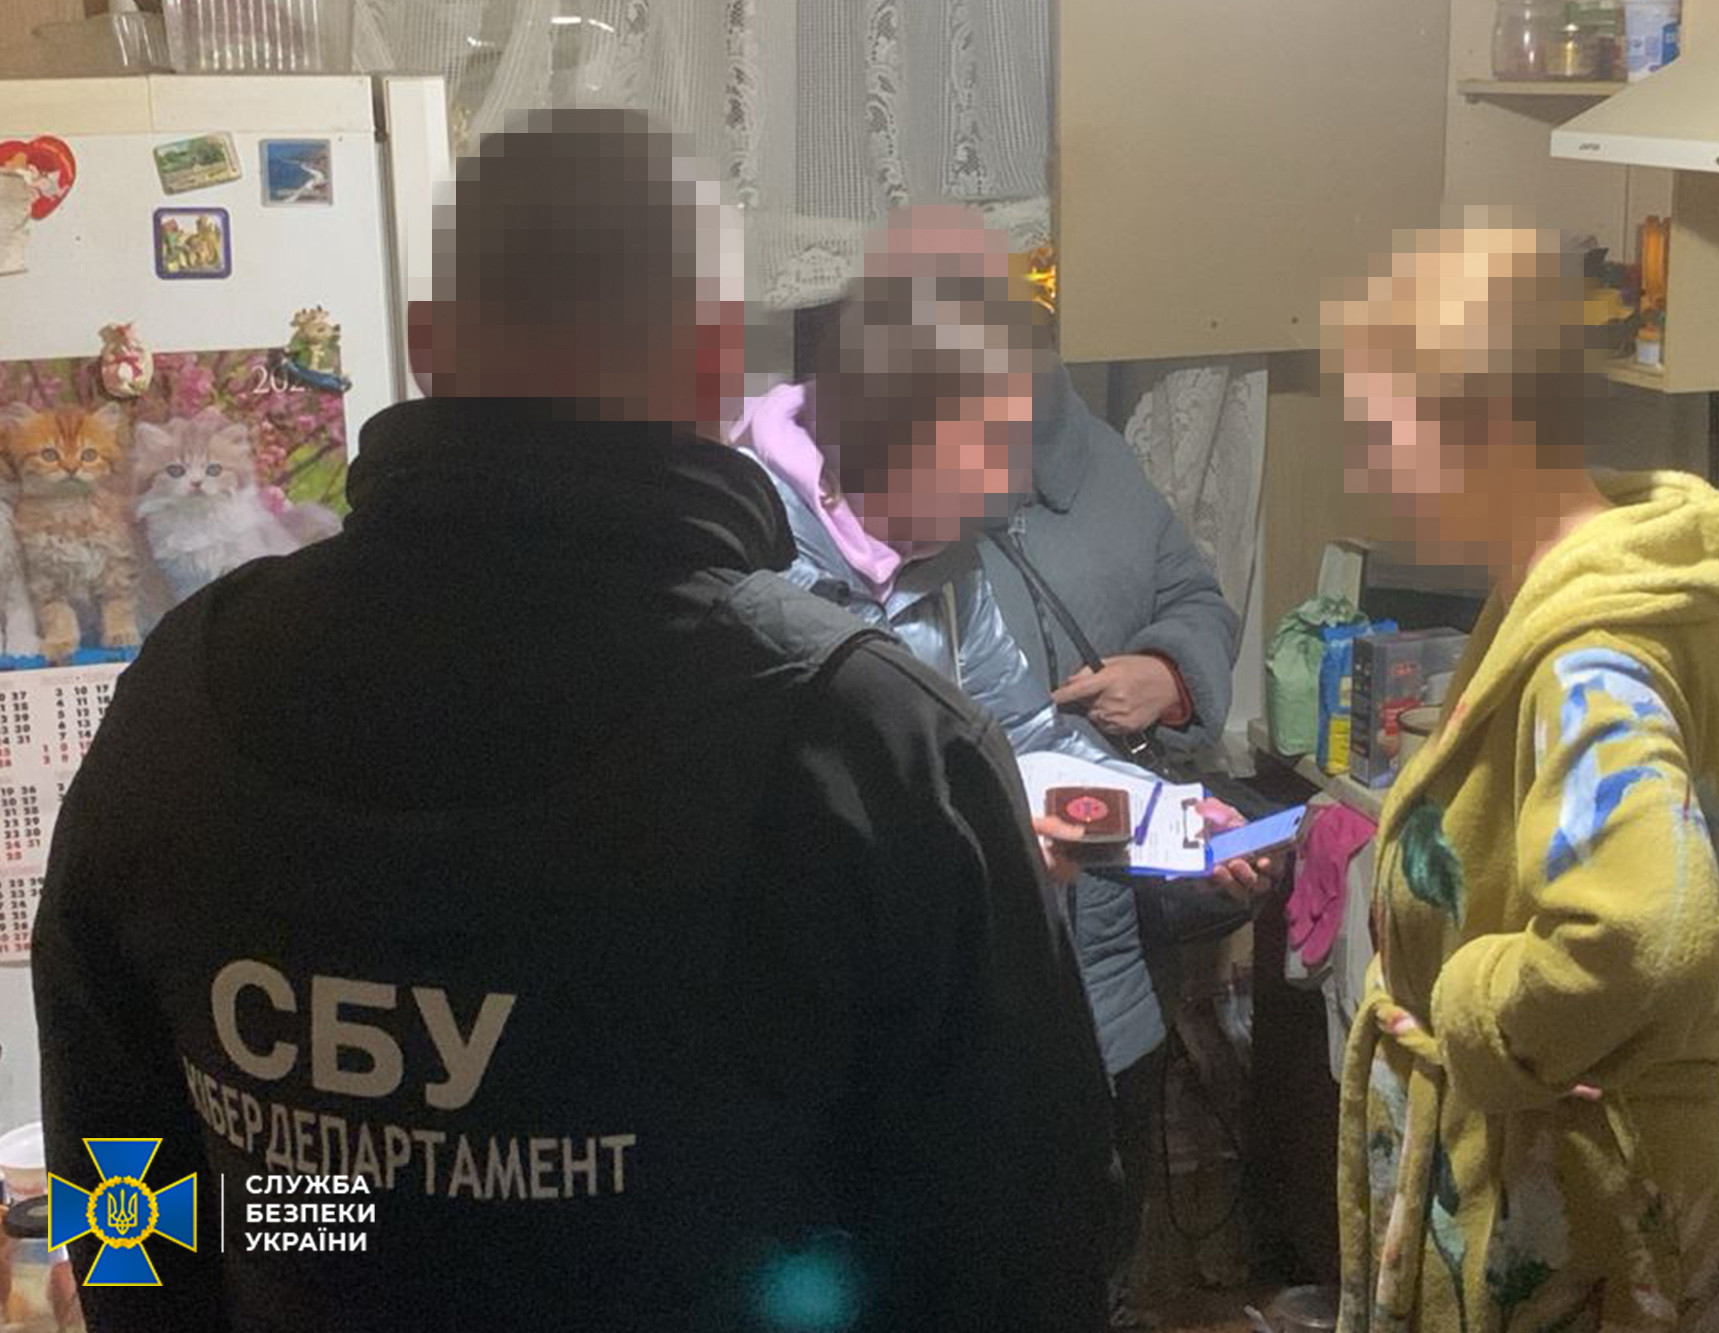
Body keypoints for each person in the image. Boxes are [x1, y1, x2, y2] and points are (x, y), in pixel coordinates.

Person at [33, 110, 1112, 1332]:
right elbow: (1021, 1243)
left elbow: (125, 1181)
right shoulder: (869, 741)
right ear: (718, 365)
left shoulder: (184, 689)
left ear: (424, 343)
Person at [735, 204, 1269, 1327]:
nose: (994, 494)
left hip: (977, 1037)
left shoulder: (947, 559)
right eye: (974, 459)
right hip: (828, 1071)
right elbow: (763, 843)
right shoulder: (752, 560)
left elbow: (1026, 737)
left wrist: (1170, 823)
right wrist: (983, 855)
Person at [1326, 218, 1719, 1329]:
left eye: (1380, 434)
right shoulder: (1585, 581)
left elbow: (1638, 931)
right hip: (1572, 1168)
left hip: (1575, 1196)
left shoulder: (1593, 656)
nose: (1368, 473)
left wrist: (1469, 1005)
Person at [981, 358, 1241, 760]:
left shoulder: (1101, 457)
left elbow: (1197, 602)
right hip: (969, 792)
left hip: (1115, 785)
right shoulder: (890, 492)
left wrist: (1167, 674)